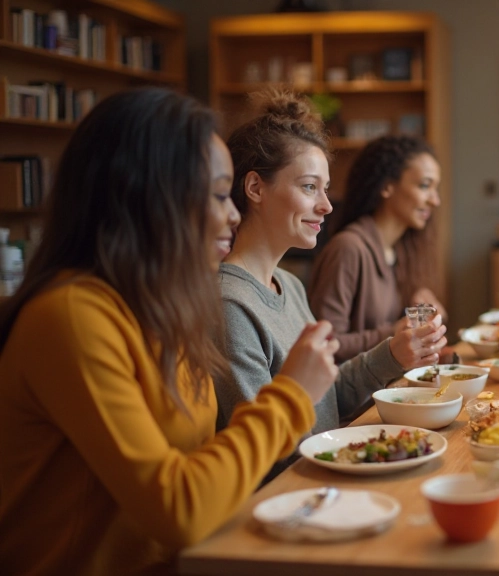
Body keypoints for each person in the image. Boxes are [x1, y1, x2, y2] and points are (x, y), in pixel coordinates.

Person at [0, 88, 340, 575]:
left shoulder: (167, 309)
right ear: (148, 193)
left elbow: (205, 471)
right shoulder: (72, 317)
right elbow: (178, 508)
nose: (231, 213)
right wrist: (289, 395)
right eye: (219, 193)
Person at [218, 91, 447, 481]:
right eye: (310, 187)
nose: (326, 205)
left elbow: (327, 400)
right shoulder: (230, 305)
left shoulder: (288, 285)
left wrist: (393, 354)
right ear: (255, 189)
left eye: (325, 188)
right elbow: (265, 452)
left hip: (326, 478)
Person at [308, 134, 446, 363]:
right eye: (424, 185)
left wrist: (419, 307)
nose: (435, 200)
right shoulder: (348, 249)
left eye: (435, 188)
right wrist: (394, 334)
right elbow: (326, 343)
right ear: (387, 186)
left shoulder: (398, 250)